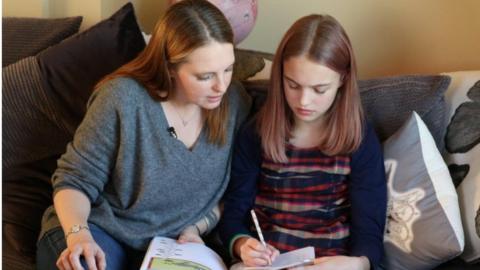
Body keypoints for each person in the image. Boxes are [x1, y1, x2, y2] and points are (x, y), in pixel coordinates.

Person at [36, 0, 251, 269]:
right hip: (96, 230)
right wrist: (79, 235)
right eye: (205, 76)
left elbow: (234, 191)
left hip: (170, 247)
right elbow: (74, 180)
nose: (221, 85)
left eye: (228, 69)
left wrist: (197, 227)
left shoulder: (235, 104)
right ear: (170, 67)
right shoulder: (123, 99)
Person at [218, 14, 387, 270]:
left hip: (329, 262)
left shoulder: (358, 139)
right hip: (266, 264)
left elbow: (370, 231)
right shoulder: (256, 133)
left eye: (319, 89)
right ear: (280, 76)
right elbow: (234, 213)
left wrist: (357, 264)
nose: (304, 101)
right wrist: (242, 244)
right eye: (293, 85)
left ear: (342, 80)